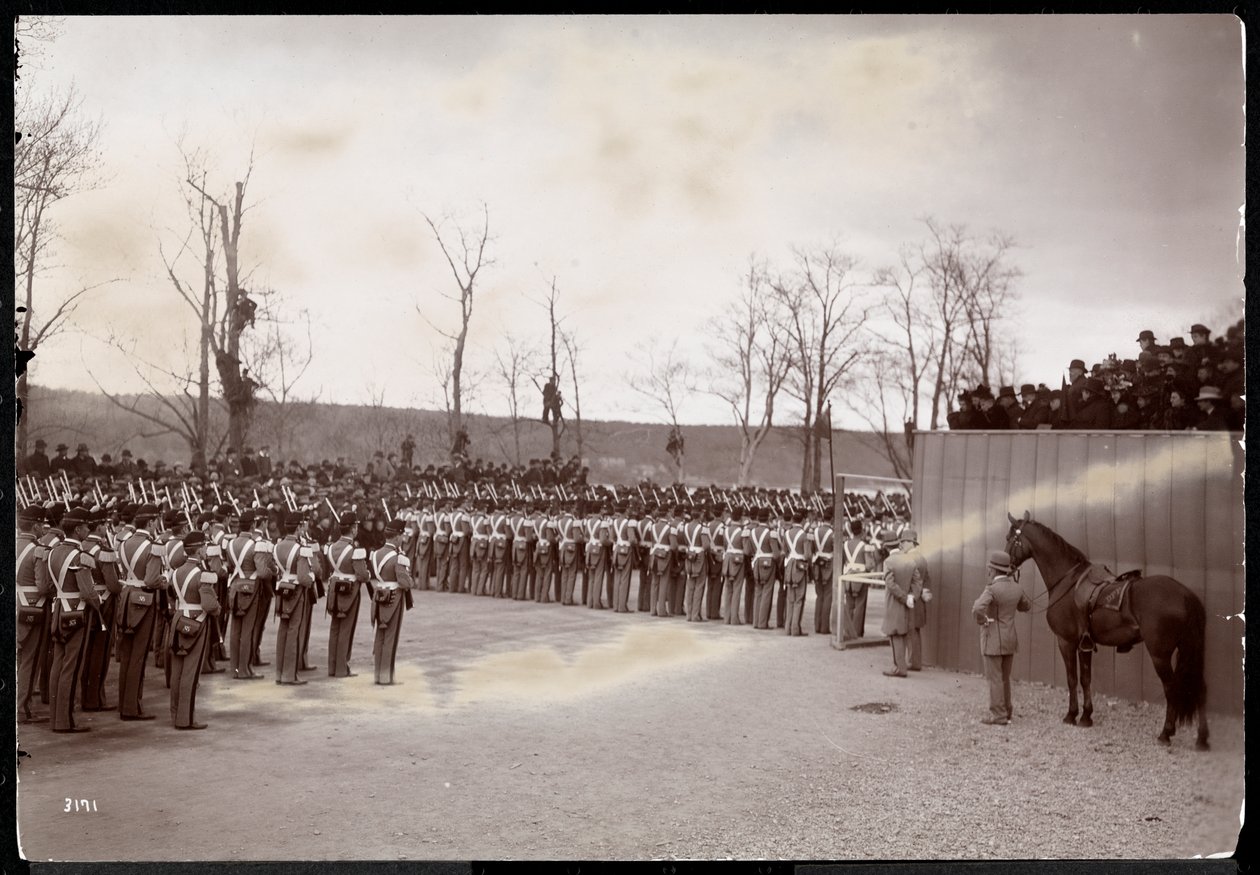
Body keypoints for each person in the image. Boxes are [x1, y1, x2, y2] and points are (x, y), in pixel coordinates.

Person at [45, 508, 104, 732]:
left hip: (58, 609)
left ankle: (55, 718)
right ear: (78, 529)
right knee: (72, 666)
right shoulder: (80, 556)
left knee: (58, 665)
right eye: (86, 527)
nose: (88, 530)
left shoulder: (53, 551)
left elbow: (49, 586)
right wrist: (98, 603)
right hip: (76, 613)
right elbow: (88, 593)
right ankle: (65, 720)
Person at [115, 503, 166, 721]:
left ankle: (124, 703)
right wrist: (164, 582)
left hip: (126, 596)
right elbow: (151, 580)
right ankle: (131, 707)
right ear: (152, 522)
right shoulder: (153, 546)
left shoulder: (125, 542)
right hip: (143, 600)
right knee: (138, 654)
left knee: (127, 654)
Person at [971, 549, 1032, 725]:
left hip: (993, 639)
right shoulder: (1017, 588)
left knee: (994, 678)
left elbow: (977, 609)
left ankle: (998, 715)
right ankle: (1007, 711)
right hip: (1010, 639)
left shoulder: (991, 589)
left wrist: (983, 620)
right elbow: (1025, 607)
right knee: (1004, 677)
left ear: (993, 570)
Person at [167, 530, 221, 730]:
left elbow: (172, 595)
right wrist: (218, 608)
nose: (206, 550)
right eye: (204, 547)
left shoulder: (176, 571)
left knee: (178, 672)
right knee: (190, 672)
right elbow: (208, 605)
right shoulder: (202, 574)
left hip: (179, 619)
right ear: (198, 551)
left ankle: (175, 715)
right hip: (196, 623)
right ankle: (186, 719)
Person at [225, 510, 274, 680]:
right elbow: (262, 572)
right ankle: (245, 669)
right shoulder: (255, 545)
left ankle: (234, 669)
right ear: (253, 525)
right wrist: (271, 572)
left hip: (235, 587)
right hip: (251, 589)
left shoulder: (230, 544)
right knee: (247, 630)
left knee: (235, 629)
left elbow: (231, 566)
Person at [368, 519, 416, 685]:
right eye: (402, 535)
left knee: (380, 636)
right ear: (397, 537)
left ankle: (378, 675)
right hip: (394, 597)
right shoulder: (398, 557)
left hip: (379, 594)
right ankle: (386, 676)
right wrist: (411, 581)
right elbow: (404, 582)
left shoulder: (375, 553)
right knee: (390, 638)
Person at [16, 505, 51, 724]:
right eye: (42, 525)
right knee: (30, 659)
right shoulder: (37, 550)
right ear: (36, 525)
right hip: (31, 607)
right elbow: (43, 587)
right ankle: (22, 709)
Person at [325, 510, 369, 678]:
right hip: (349, 591)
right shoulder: (354, 550)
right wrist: (368, 575)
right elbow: (362, 575)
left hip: (334, 589)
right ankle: (342, 668)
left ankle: (332, 666)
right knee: (345, 629)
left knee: (335, 628)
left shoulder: (331, 547)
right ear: (353, 529)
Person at [881, 542, 921, 677]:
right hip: (907, 604)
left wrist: (904, 597)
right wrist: (912, 597)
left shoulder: (888, 562)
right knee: (903, 633)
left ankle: (899, 668)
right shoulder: (910, 560)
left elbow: (890, 584)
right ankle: (899, 666)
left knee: (894, 634)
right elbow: (917, 582)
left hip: (894, 602)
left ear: (886, 547)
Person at [900, 529, 932, 671]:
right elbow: (927, 579)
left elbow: (906, 581)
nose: (902, 545)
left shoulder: (909, 559)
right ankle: (915, 661)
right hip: (920, 599)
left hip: (912, 598)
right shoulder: (922, 558)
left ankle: (913, 662)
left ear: (910, 543)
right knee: (915, 631)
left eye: (904, 542)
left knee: (910, 631)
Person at [840, 519, 873, 640]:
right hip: (861, 577)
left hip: (848, 576)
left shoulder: (845, 544)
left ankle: (848, 631)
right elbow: (870, 565)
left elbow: (843, 561)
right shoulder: (865, 546)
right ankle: (857, 632)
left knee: (849, 605)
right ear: (862, 530)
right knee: (860, 605)